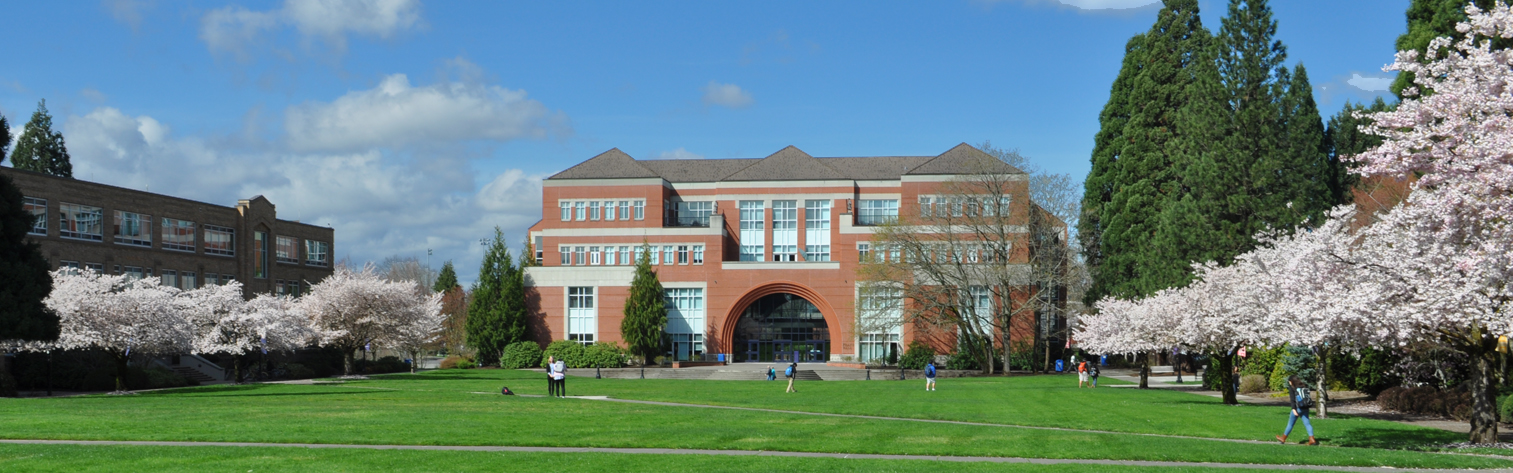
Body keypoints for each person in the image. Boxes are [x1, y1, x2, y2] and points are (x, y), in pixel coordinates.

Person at [1277, 375, 1318, 445]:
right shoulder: (1304, 386)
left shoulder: (1292, 388)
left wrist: (1293, 409)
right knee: (1307, 424)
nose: (1289, 383)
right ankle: (1312, 439)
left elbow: (1292, 400)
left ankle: (1283, 438)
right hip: (1305, 408)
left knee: (1290, 424)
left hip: (1298, 408)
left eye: (1289, 381)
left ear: (1291, 381)